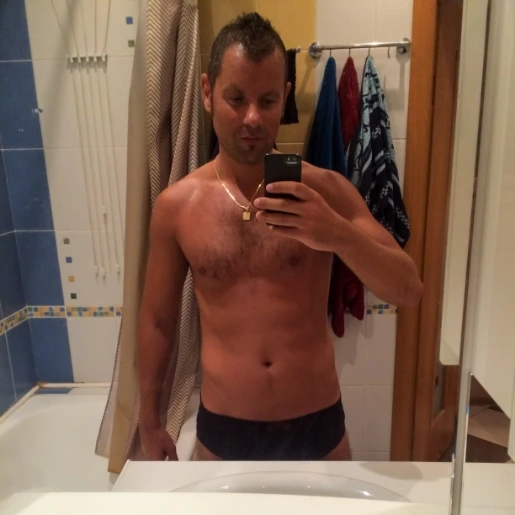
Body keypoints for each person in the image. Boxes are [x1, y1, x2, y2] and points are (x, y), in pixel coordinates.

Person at [138, 12, 423, 461]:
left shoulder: (326, 189)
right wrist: (149, 420)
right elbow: (157, 321)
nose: (252, 118)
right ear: (208, 92)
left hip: (317, 426)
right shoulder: (177, 207)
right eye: (236, 98)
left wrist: (336, 233)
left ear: (285, 97)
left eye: (267, 100)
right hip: (224, 430)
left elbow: (408, 290)